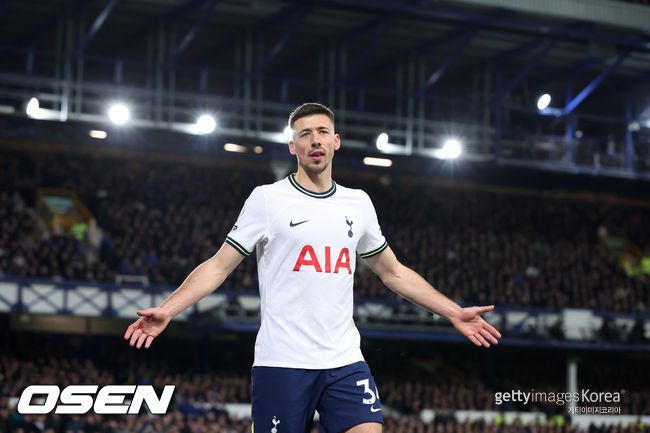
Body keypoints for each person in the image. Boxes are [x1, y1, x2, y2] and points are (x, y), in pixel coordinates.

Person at [124, 102, 501, 433]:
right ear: (293, 146)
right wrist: (169, 309)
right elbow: (219, 266)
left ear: (336, 141)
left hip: (344, 360)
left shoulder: (358, 203)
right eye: (305, 134)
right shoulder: (268, 200)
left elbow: (393, 272)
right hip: (282, 362)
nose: (315, 140)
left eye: (322, 132)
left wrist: (452, 311)